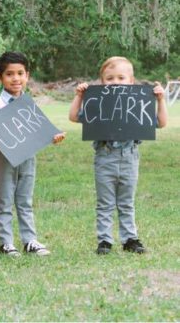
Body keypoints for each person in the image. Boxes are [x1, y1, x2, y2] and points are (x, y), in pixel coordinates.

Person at [68, 56, 168, 255]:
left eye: (121, 78)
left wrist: (160, 100)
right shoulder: (98, 102)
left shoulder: (138, 102)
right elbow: (73, 116)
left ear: (131, 81)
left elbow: (161, 122)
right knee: (105, 203)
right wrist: (79, 96)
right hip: (104, 157)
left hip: (130, 158)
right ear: (102, 82)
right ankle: (105, 240)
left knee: (126, 202)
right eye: (110, 78)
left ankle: (130, 238)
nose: (115, 82)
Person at [0, 51, 65, 257]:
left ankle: (29, 240)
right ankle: (6, 243)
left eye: (20, 73)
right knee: (4, 200)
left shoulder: (29, 105)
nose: (16, 78)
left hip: (28, 157)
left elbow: (40, 130)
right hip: (4, 158)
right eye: (10, 74)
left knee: (25, 199)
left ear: (27, 75)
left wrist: (54, 137)